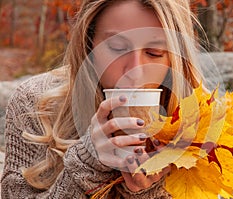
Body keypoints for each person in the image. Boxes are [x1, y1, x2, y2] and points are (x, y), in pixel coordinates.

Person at [1, 0, 206, 198]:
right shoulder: (35, 103)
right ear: (88, 44)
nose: (134, 72)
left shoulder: (203, 122)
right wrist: (86, 164)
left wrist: (146, 192)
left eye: (154, 53)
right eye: (117, 47)